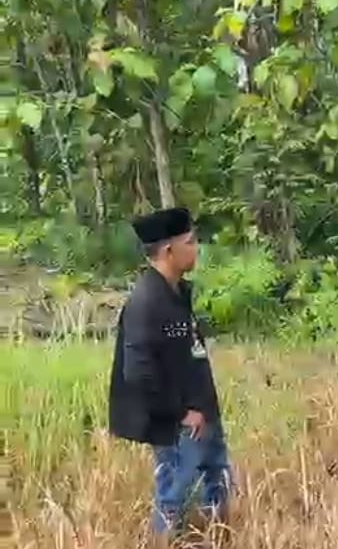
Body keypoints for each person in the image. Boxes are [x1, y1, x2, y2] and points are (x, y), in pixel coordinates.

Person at [107, 207, 230, 543]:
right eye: (190, 242)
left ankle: (218, 539)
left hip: (202, 412)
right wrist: (181, 414)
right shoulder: (146, 302)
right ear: (167, 251)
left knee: (216, 484)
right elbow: (139, 373)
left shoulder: (177, 293)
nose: (197, 248)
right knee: (173, 499)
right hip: (178, 423)